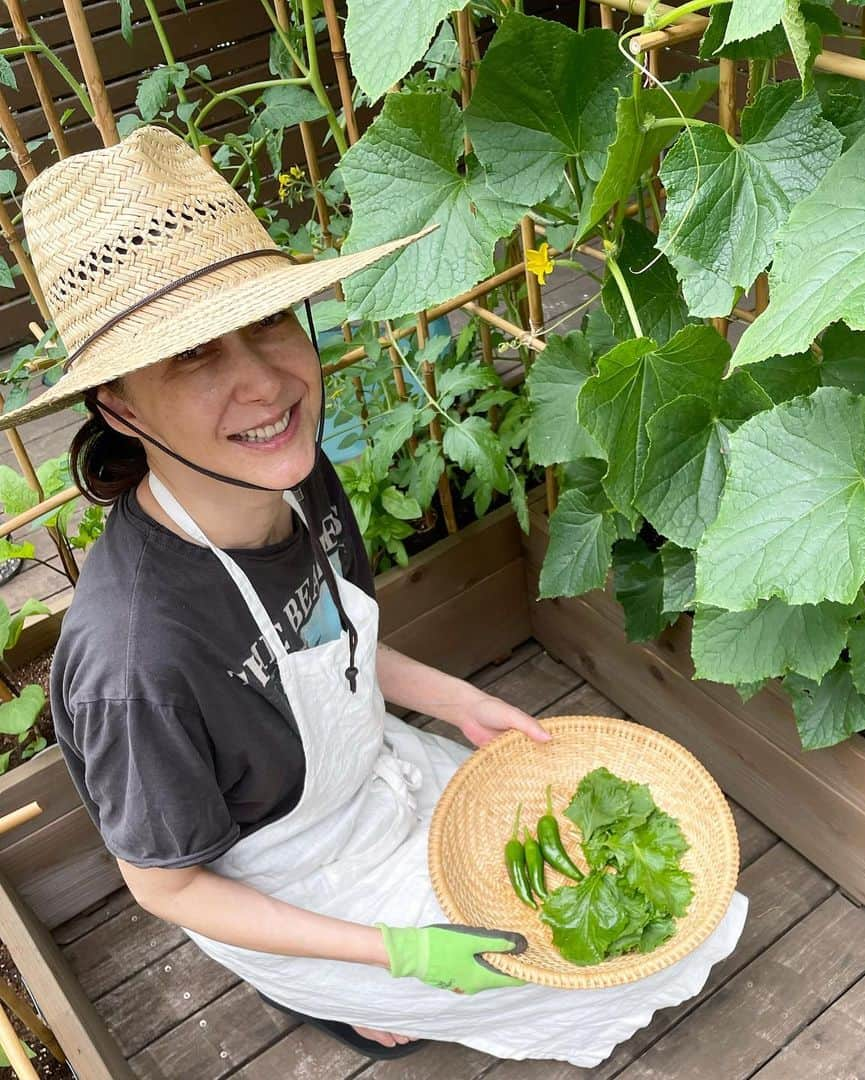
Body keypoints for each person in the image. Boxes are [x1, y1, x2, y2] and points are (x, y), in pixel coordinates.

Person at [0, 127, 747, 1068]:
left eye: (269, 322)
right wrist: (394, 952)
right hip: (276, 875)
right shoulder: (135, 660)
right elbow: (168, 887)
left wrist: (458, 702)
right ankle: (333, 996)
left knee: (610, 901)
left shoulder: (290, 472)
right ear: (118, 406)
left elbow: (331, 636)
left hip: (365, 774)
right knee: (542, 966)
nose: (266, 384)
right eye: (192, 355)